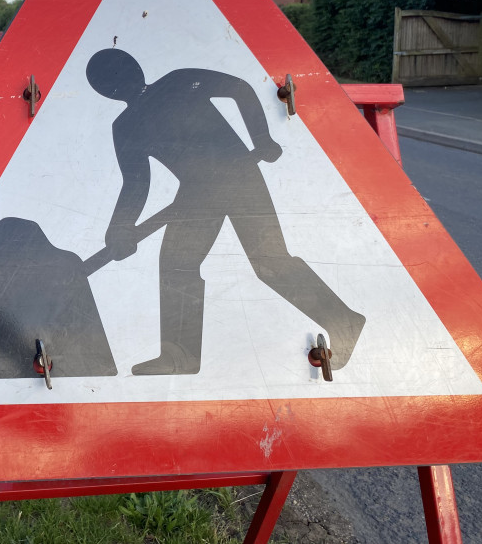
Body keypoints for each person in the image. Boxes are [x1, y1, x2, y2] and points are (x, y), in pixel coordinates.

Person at [86, 49, 365, 375]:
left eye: (116, 76)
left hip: (239, 176)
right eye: (110, 81)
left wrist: (261, 137)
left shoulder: (178, 82)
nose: (117, 84)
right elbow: (135, 183)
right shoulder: (127, 126)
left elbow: (239, 89)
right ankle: (180, 357)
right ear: (105, 91)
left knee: (269, 260)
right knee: (177, 265)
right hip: (194, 195)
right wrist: (119, 228)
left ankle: (344, 321)